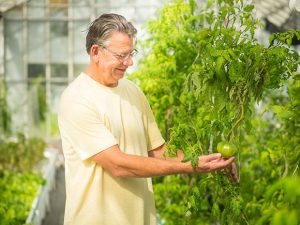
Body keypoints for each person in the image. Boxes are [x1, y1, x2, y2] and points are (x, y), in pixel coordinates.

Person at [58, 13, 237, 225]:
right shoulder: (78, 99)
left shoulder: (133, 92)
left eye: (131, 53)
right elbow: (118, 165)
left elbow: (159, 152)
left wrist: (206, 160)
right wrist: (191, 167)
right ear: (96, 52)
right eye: (121, 55)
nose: (130, 62)